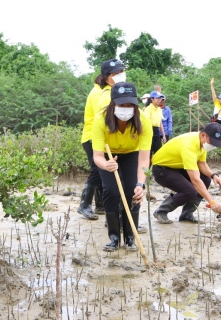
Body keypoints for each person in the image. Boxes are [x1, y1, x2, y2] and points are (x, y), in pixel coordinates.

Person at [92, 82, 152, 252]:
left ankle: (130, 237)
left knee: (132, 192)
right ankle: (114, 237)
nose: (125, 108)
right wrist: (106, 164)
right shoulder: (100, 120)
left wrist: (141, 185)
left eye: (129, 105)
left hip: (132, 154)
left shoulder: (143, 120)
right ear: (113, 103)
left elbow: (144, 159)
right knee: (111, 191)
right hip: (109, 156)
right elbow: (97, 157)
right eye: (121, 104)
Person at [151, 123, 221, 224]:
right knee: (190, 191)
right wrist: (212, 202)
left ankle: (186, 214)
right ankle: (161, 211)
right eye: (212, 142)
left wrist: (213, 175)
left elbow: (201, 163)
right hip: (161, 169)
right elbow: (195, 181)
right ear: (203, 135)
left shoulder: (201, 144)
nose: (213, 145)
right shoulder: (189, 146)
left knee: (205, 179)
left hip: (177, 167)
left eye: (216, 143)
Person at [78, 59, 125, 221]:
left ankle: (99, 205)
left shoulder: (103, 90)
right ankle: (84, 204)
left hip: (96, 136)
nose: (120, 76)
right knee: (98, 170)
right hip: (93, 136)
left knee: (101, 171)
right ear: (106, 77)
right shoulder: (100, 93)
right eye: (116, 74)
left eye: (121, 72)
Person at [144, 91, 166, 157]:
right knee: (149, 152)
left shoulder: (159, 109)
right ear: (152, 99)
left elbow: (160, 122)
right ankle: (147, 166)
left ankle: (157, 167)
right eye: (157, 98)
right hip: (149, 130)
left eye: (160, 98)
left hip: (156, 131)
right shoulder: (148, 109)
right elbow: (146, 122)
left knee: (158, 151)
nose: (159, 100)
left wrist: (163, 135)